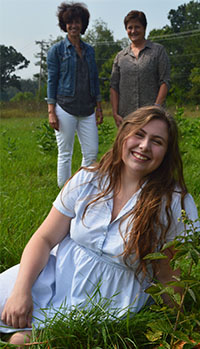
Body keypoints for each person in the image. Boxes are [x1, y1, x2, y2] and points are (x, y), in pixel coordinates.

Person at [0, 106, 199, 347]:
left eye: (156, 141)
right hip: (58, 274)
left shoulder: (173, 202)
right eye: (139, 134)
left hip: (110, 298)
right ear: (124, 137)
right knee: (10, 303)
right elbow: (44, 238)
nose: (145, 145)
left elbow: (169, 274)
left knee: (20, 341)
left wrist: (179, 327)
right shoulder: (89, 179)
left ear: (166, 152)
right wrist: (22, 290)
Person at [47, 2, 103, 188]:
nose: (73, 26)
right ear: (65, 25)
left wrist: (99, 107)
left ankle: (82, 188)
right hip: (65, 107)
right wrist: (51, 111)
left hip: (87, 109)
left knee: (92, 152)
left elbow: (94, 79)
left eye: (77, 22)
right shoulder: (57, 50)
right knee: (65, 153)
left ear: (83, 24)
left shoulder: (89, 50)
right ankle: (64, 195)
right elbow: (52, 80)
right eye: (69, 22)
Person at [110, 10, 170, 127]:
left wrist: (156, 108)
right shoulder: (120, 57)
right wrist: (115, 113)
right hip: (126, 117)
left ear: (144, 28)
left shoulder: (158, 51)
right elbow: (114, 86)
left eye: (137, 27)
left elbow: (165, 81)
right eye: (129, 28)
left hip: (152, 116)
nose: (133, 31)